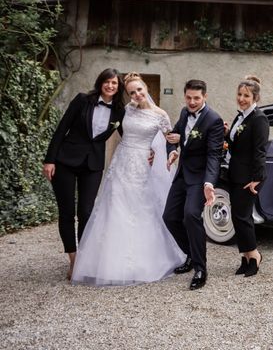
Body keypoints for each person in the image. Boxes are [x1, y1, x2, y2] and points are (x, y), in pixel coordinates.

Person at [71, 73, 185, 286]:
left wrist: (173, 149)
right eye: (132, 92)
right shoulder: (126, 110)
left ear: (145, 88)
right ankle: (105, 261)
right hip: (121, 162)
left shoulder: (160, 114)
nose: (137, 94)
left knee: (138, 208)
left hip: (141, 165)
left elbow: (170, 139)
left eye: (139, 89)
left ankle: (139, 261)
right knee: (112, 206)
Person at [43, 68, 125, 279]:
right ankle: (74, 261)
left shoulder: (119, 111)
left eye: (114, 83)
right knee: (67, 212)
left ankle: (86, 258)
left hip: (93, 164)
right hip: (66, 161)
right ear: (100, 82)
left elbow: (129, 134)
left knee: (87, 212)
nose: (110, 86)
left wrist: (149, 149)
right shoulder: (82, 100)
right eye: (107, 82)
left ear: (119, 87)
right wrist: (50, 160)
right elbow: (62, 129)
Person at [163, 79, 225, 290]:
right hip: (182, 175)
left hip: (199, 178)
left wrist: (209, 183)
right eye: (188, 97)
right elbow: (173, 136)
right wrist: (172, 151)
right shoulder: (183, 112)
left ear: (205, 97)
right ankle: (190, 254)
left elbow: (214, 155)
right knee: (169, 217)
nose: (192, 102)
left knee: (190, 215)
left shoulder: (214, 120)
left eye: (196, 98)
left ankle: (200, 268)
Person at [225, 75, 269, 277]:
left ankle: (255, 256)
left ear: (255, 97)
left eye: (246, 95)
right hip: (236, 174)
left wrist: (257, 178)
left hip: (250, 178)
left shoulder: (259, 119)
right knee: (237, 217)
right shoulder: (240, 116)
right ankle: (244, 256)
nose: (241, 98)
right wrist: (228, 134)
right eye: (239, 94)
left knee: (243, 217)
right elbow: (236, 146)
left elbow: (260, 150)